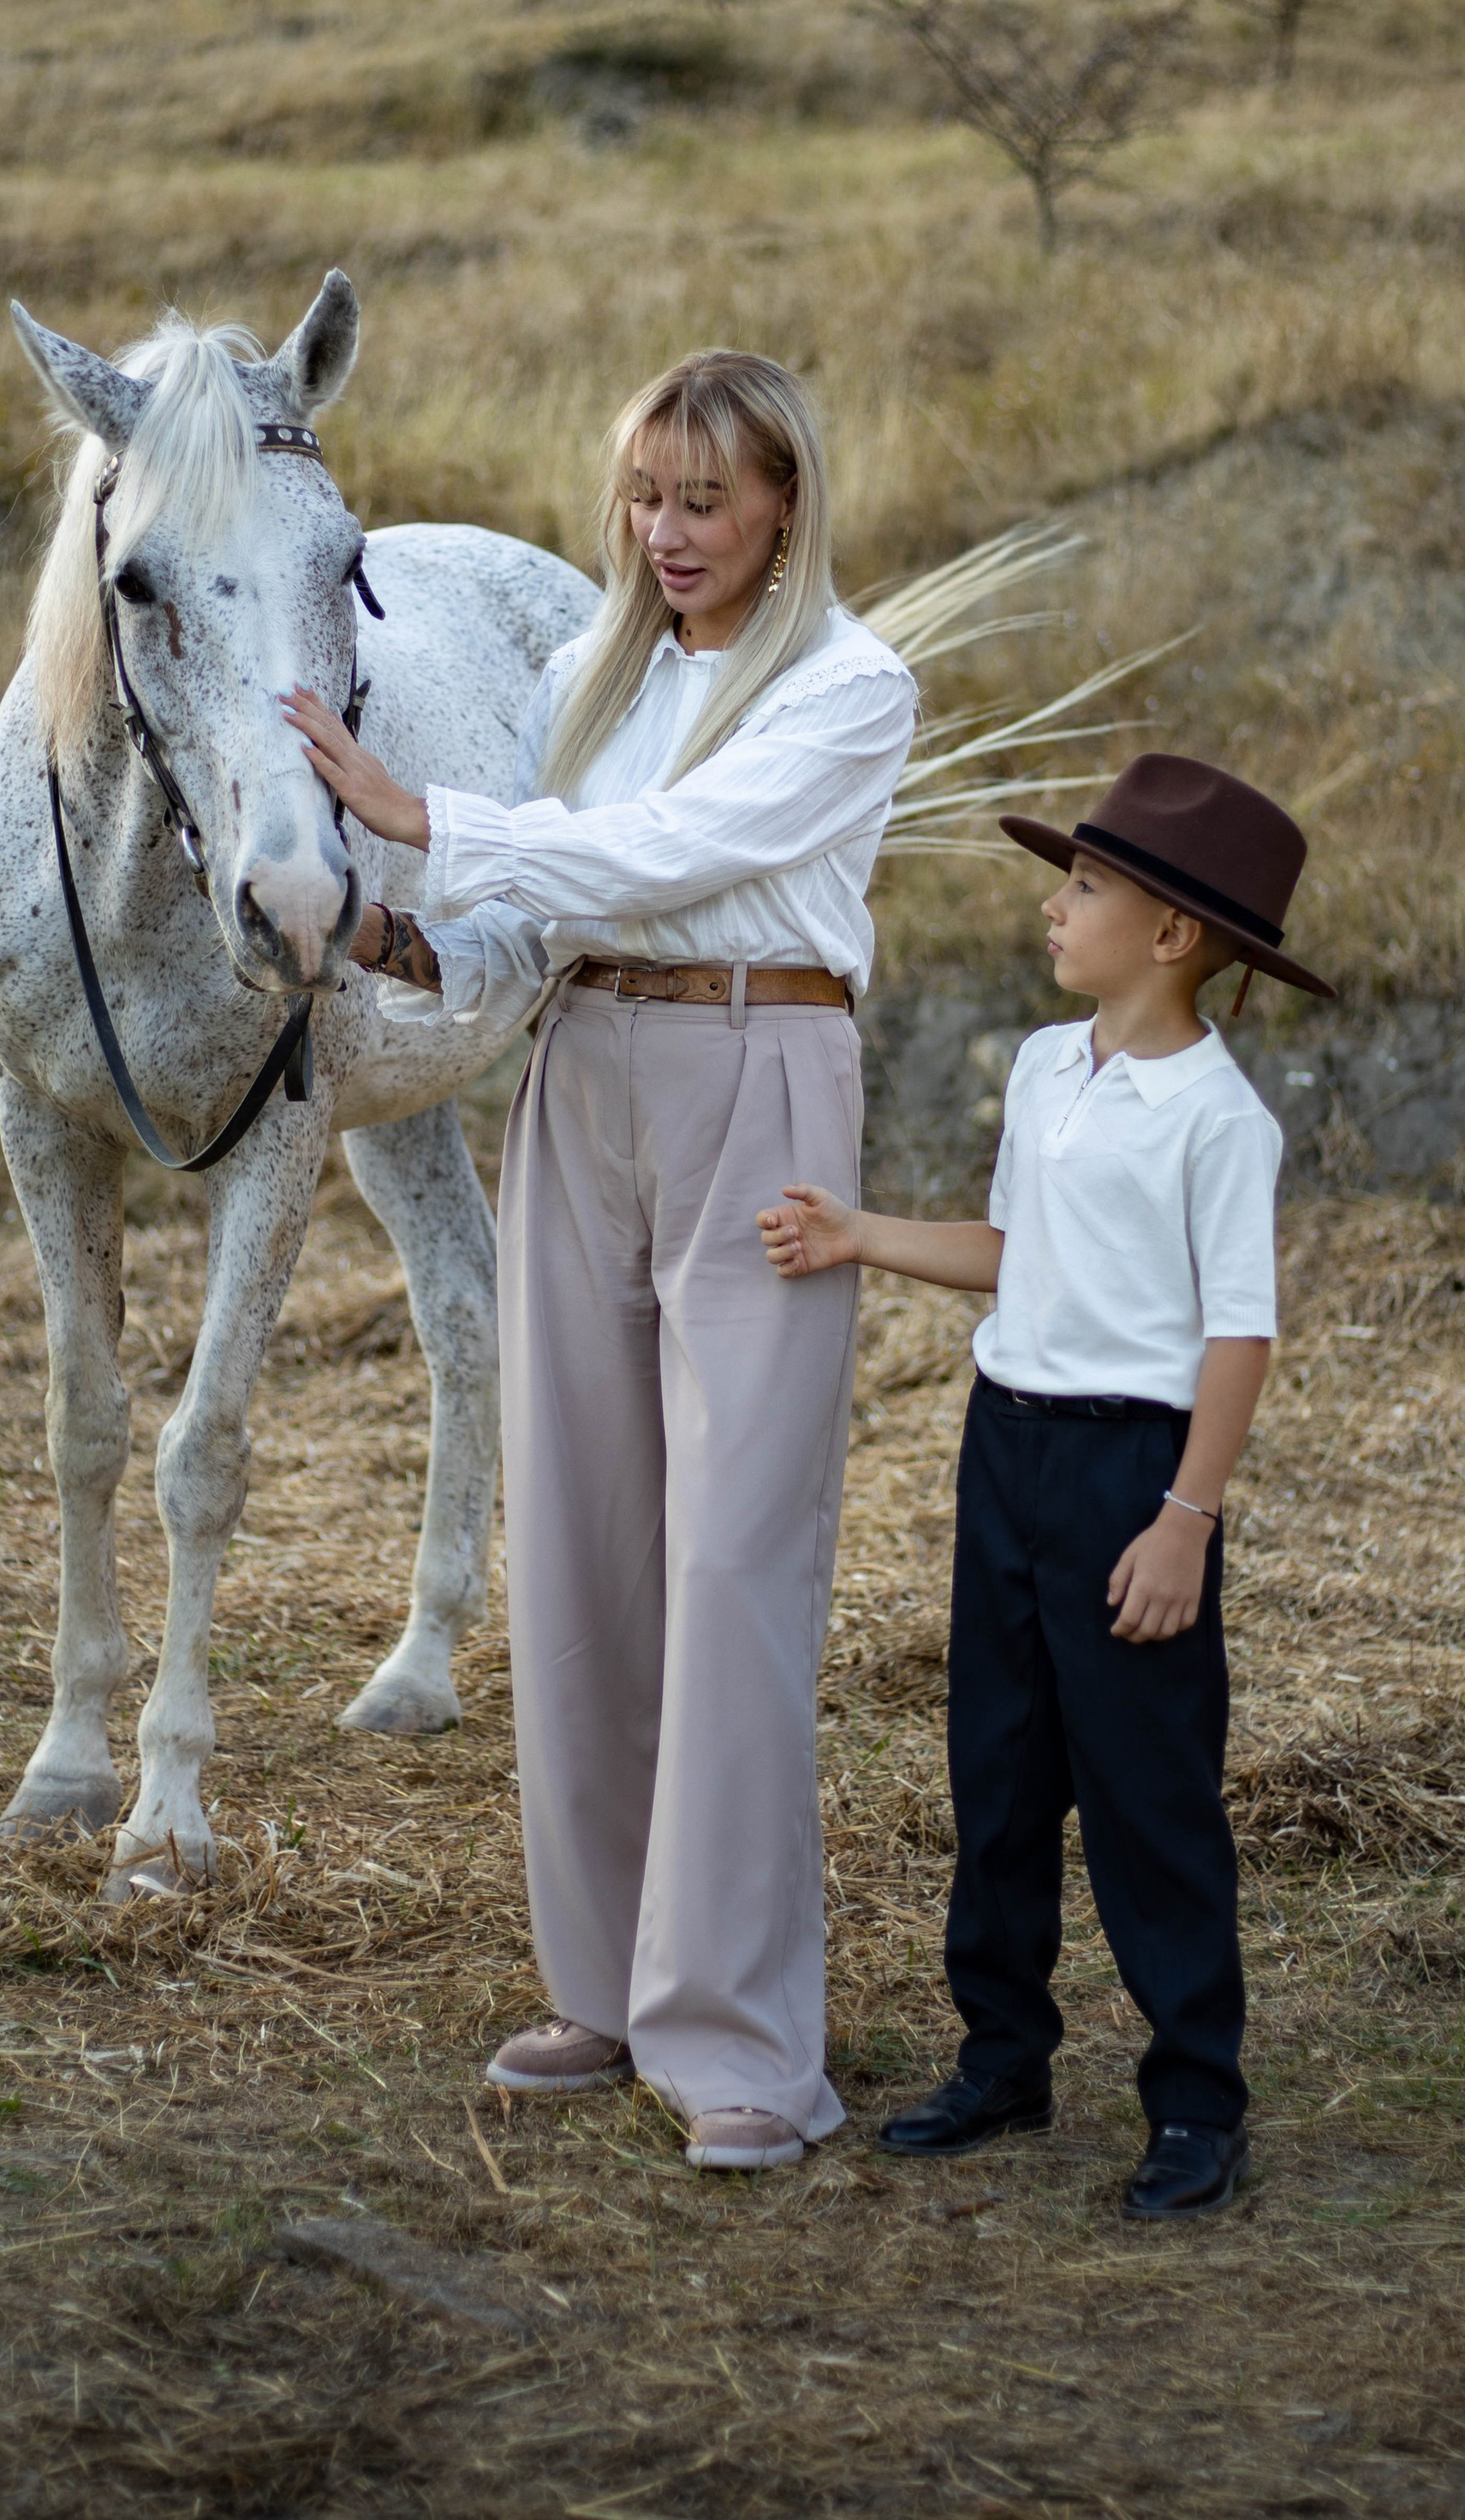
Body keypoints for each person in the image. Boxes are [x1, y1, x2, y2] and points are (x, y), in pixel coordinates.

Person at [283, 352, 916, 2169]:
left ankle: (739, 2046)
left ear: (783, 499)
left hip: (757, 1074)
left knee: (731, 1560)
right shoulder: (588, 676)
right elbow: (550, 904)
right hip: (581, 1076)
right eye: (644, 495)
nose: (666, 534)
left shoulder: (853, 686)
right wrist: (395, 925)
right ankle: (606, 1984)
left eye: (704, 500)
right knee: (577, 1538)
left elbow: (670, 852)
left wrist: (427, 814)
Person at [759, 754, 1332, 2219]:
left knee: (1147, 1792)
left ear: (1172, 936)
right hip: (1006, 1444)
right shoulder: (1041, 1064)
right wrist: (859, 1234)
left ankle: (1199, 2100)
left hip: (1132, 1470)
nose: (1051, 903)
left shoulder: (1219, 1118)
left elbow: (1238, 1333)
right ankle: (1003, 2056)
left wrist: (1183, 1522)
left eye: (1082, 884)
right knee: (998, 1769)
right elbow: (1017, 1252)